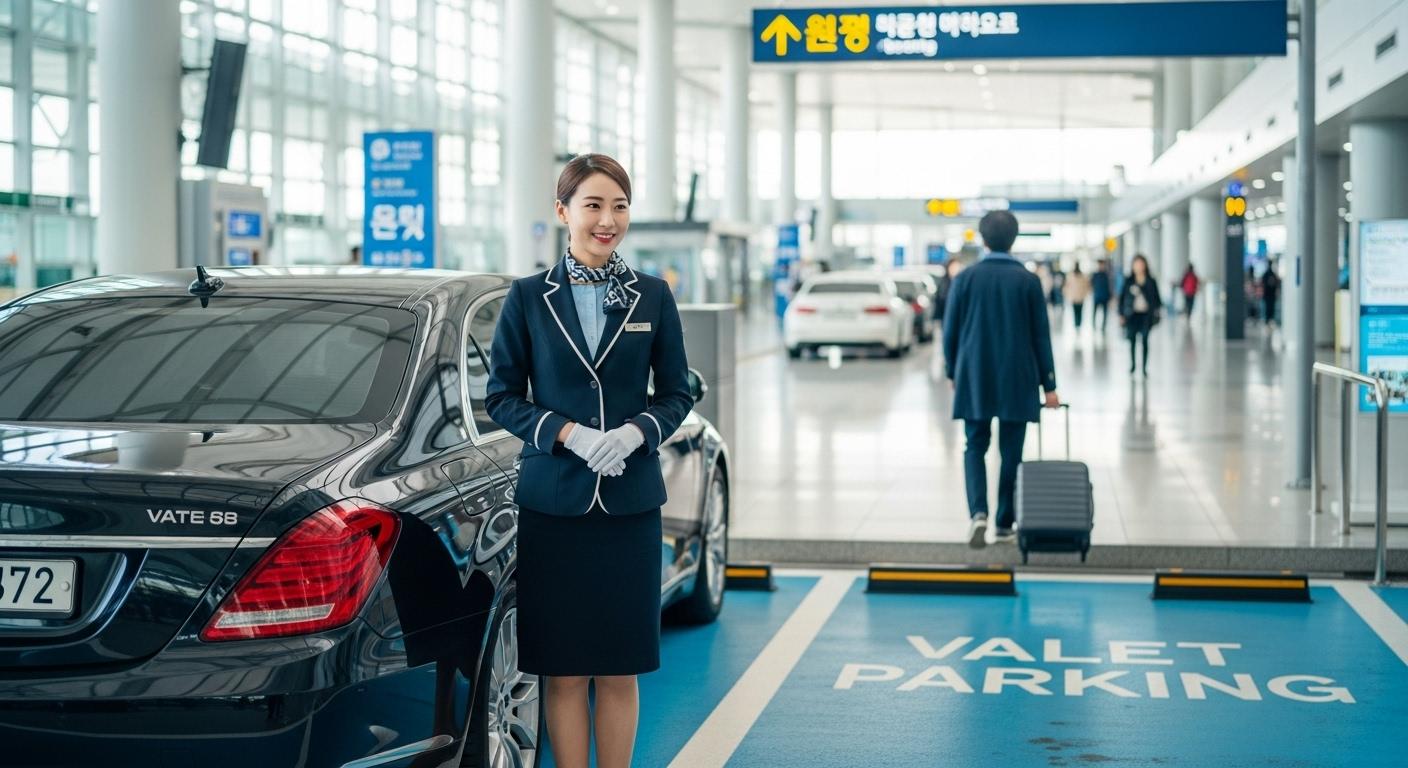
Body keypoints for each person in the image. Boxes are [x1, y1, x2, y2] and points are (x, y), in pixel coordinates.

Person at [485, 153, 693, 768]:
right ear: (563, 211)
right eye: (593, 205)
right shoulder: (526, 298)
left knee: (620, 669)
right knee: (566, 670)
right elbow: (500, 396)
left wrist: (637, 432)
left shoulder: (653, 296)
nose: (608, 220)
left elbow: (678, 392)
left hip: (630, 508)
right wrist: (566, 433)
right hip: (555, 506)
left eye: (619, 206)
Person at [943, 210, 1060, 549]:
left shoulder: (965, 279)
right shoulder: (1027, 280)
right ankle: (1004, 524)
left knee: (974, 445)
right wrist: (1048, 385)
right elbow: (1041, 337)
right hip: (1017, 376)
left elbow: (950, 332)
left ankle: (978, 512)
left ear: (983, 239)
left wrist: (954, 371)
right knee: (1012, 451)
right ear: (1014, 239)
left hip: (974, 373)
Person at [1118, 254, 1163, 376]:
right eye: (1136, 264)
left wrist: (1156, 312)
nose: (1139, 266)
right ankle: (1133, 365)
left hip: (1145, 316)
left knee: (1144, 339)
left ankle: (1144, 368)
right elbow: (1121, 299)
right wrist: (1121, 314)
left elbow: (1157, 299)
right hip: (1131, 316)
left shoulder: (1150, 281)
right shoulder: (1128, 281)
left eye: (1141, 264)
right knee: (1132, 340)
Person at [1063, 263, 1092, 329]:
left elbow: (1066, 287)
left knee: (1076, 311)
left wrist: (1068, 294)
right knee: (1079, 311)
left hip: (1076, 297)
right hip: (1079, 297)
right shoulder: (1079, 276)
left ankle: (1077, 324)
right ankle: (1078, 324)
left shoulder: (1071, 276)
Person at [1091, 259, 1113, 332]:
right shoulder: (1095, 275)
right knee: (1094, 312)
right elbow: (1092, 284)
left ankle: (1103, 327)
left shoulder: (1106, 275)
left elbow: (1110, 287)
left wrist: (1110, 297)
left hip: (1105, 297)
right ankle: (1093, 325)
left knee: (1105, 313)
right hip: (1097, 297)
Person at [1261, 260, 1282, 326]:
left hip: (1270, 295)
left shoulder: (1269, 274)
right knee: (1269, 308)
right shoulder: (1269, 274)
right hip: (1268, 295)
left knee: (1270, 308)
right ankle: (1268, 320)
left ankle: (1269, 320)